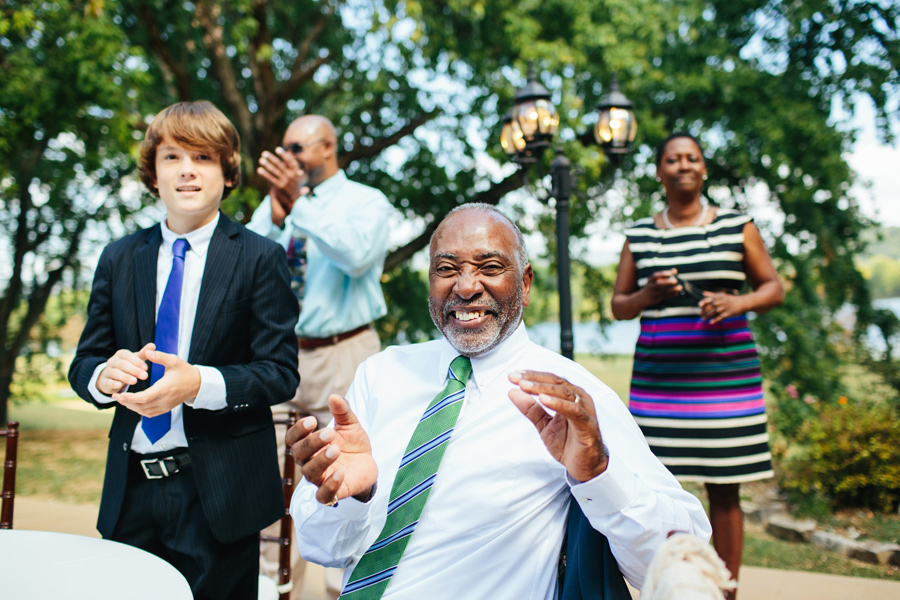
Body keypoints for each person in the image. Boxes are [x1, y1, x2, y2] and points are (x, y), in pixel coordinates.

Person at [287, 203, 711, 599]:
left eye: (490, 267)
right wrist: (353, 498)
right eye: (446, 268)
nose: (466, 286)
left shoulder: (573, 399)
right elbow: (318, 546)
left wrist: (599, 473)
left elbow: (677, 559)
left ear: (524, 284)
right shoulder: (381, 374)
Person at [68, 101, 300, 600]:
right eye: (173, 157)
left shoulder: (259, 257)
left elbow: (280, 372)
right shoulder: (118, 256)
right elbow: (84, 361)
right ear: (154, 173)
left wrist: (198, 383)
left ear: (227, 171)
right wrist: (101, 376)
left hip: (219, 495)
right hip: (131, 490)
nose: (188, 170)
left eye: (204, 157)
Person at [611, 132, 785, 599]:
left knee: (725, 490)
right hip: (659, 385)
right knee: (653, 489)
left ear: (704, 168)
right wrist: (648, 295)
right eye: (672, 159)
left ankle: (723, 595)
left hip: (726, 383)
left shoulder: (737, 225)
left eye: (692, 158)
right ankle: (666, 588)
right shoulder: (641, 234)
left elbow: (774, 288)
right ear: (659, 171)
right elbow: (619, 305)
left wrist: (737, 301)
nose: (683, 165)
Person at [247, 114, 392, 598]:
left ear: (327, 147)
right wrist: (275, 210)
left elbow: (354, 255)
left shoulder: (364, 202)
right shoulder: (281, 208)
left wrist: (302, 204)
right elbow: (244, 265)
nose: (287, 157)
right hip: (281, 354)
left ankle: (340, 589)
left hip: (342, 351)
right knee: (271, 471)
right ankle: (276, 585)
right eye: (283, 148)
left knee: (339, 468)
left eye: (296, 147)